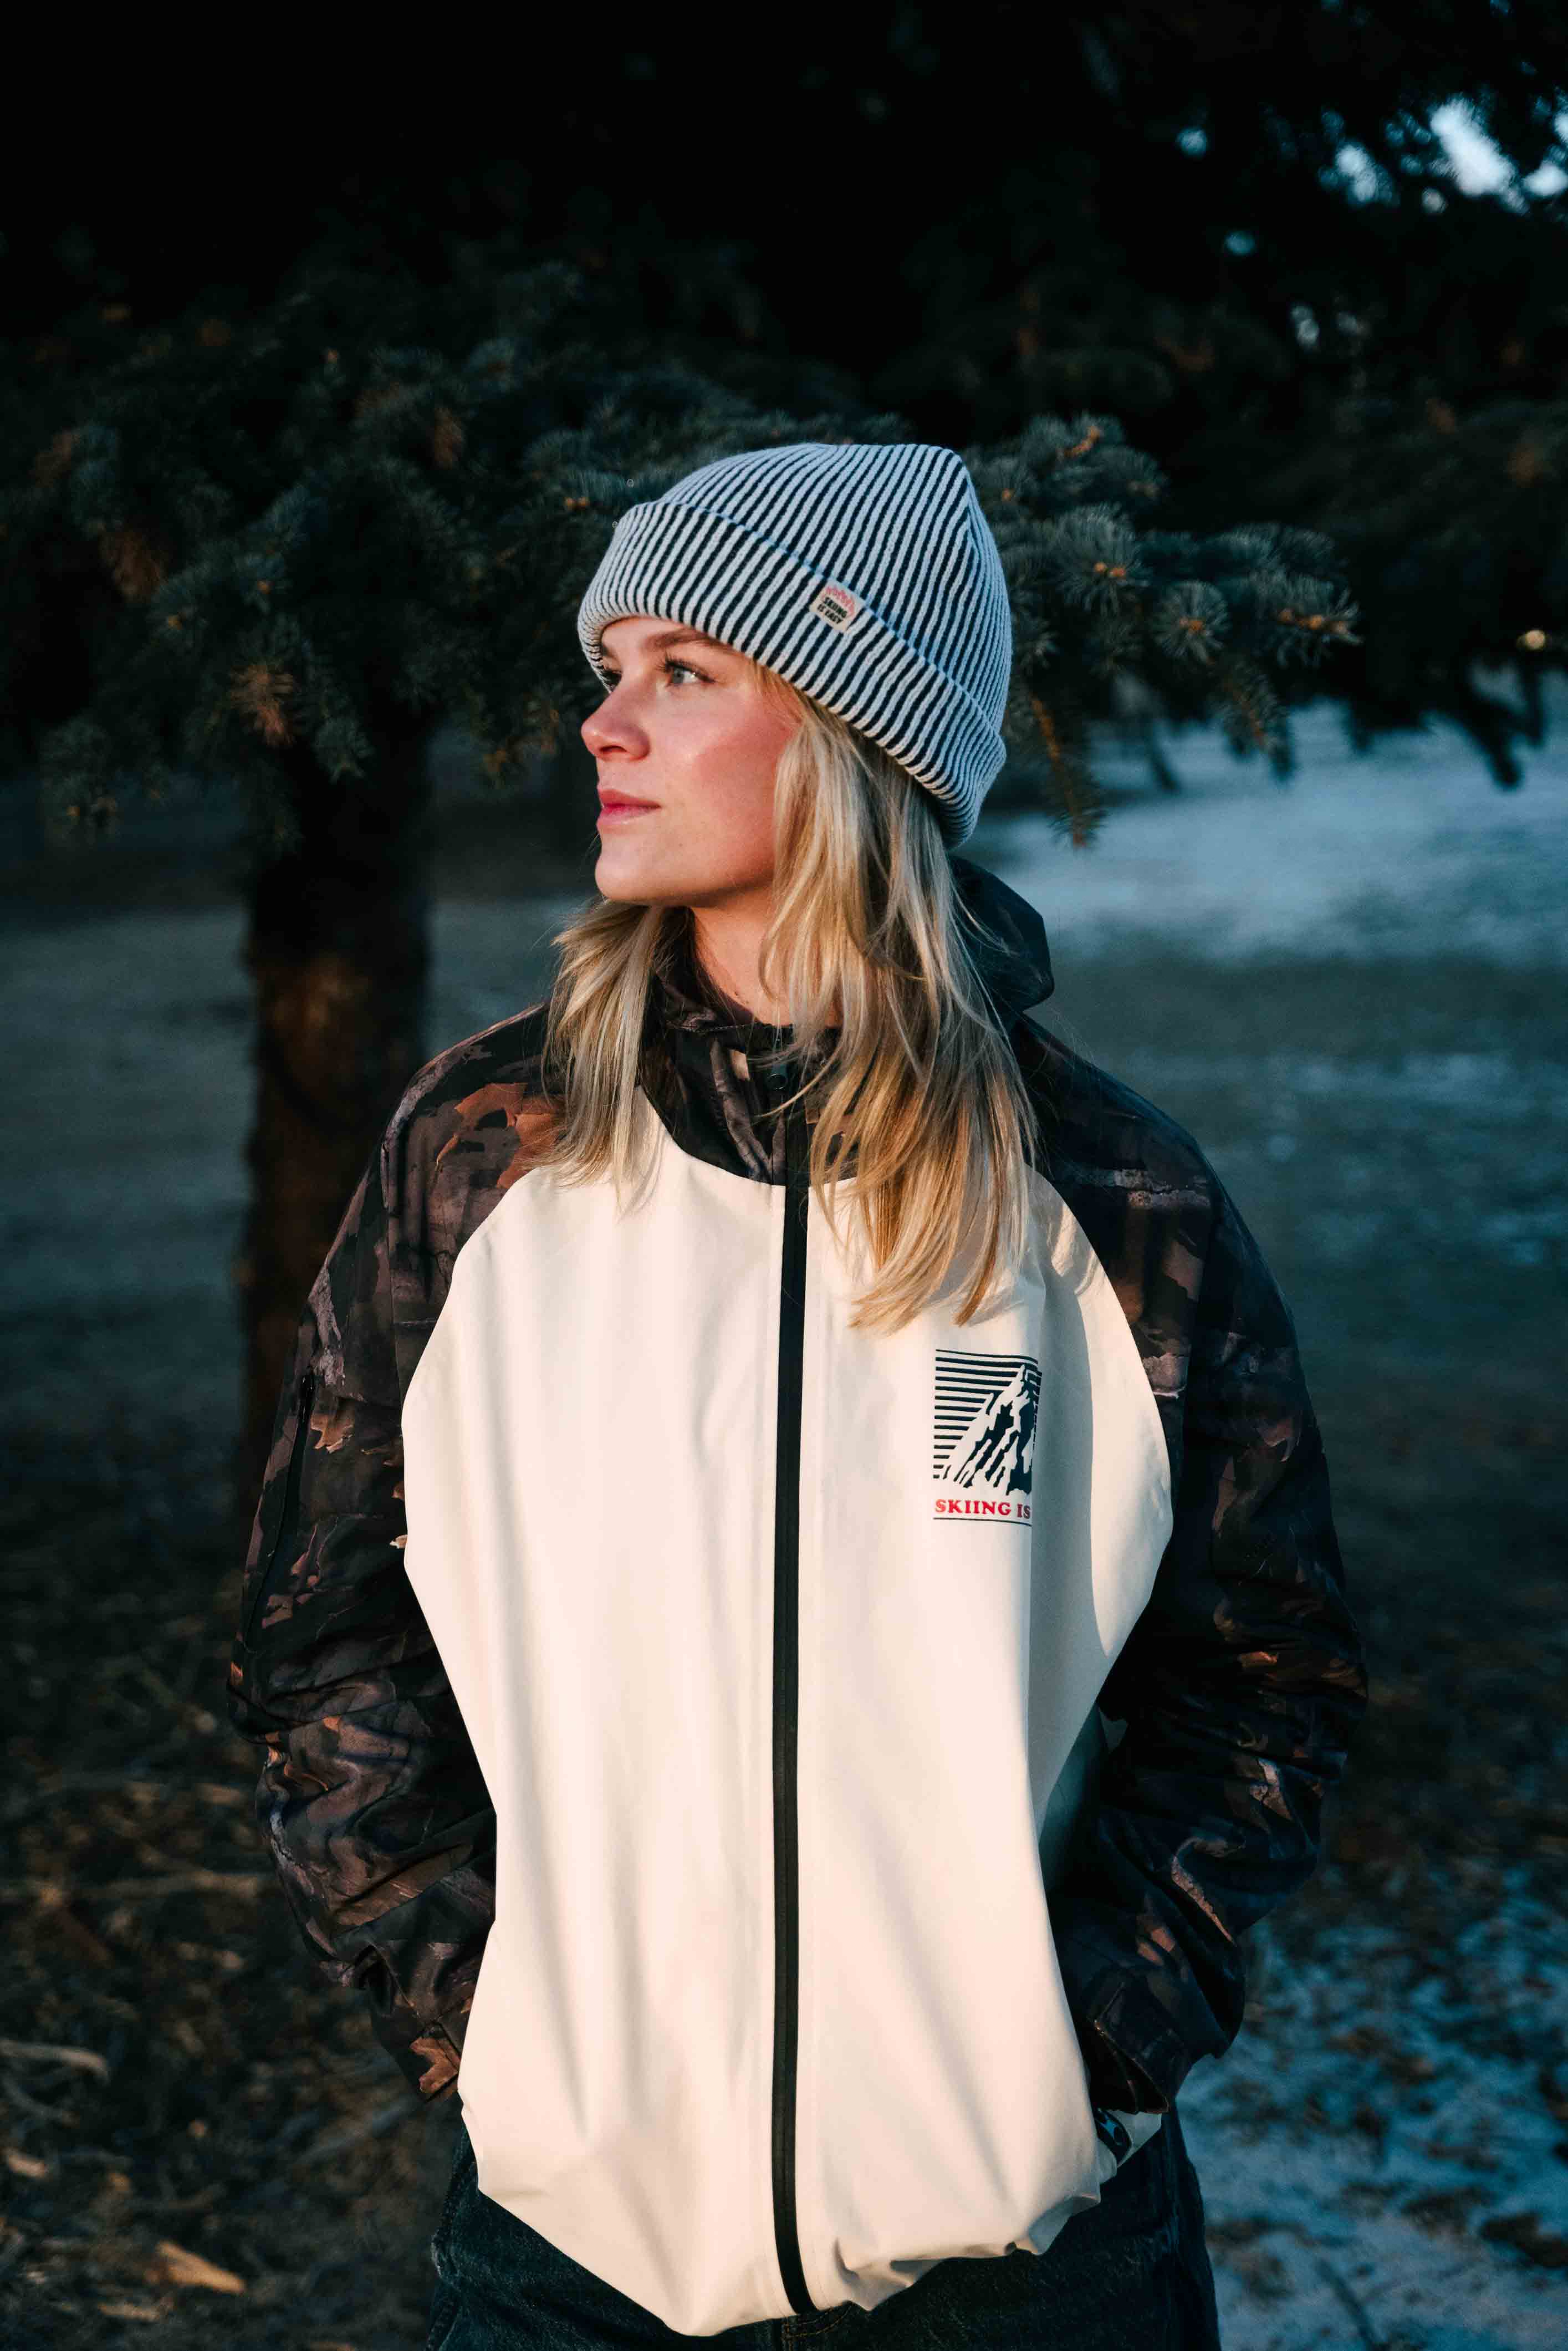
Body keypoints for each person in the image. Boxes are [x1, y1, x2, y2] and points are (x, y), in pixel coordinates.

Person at [228, 441, 1369, 2349]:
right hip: (575, 2256)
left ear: (857, 734)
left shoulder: (1106, 1203)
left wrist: (1080, 2063)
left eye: (684, 671)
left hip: (1023, 2269)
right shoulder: (487, 1159)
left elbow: (1265, 1677)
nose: (604, 723)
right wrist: (488, 2031)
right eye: (612, 668)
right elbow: (322, 1628)